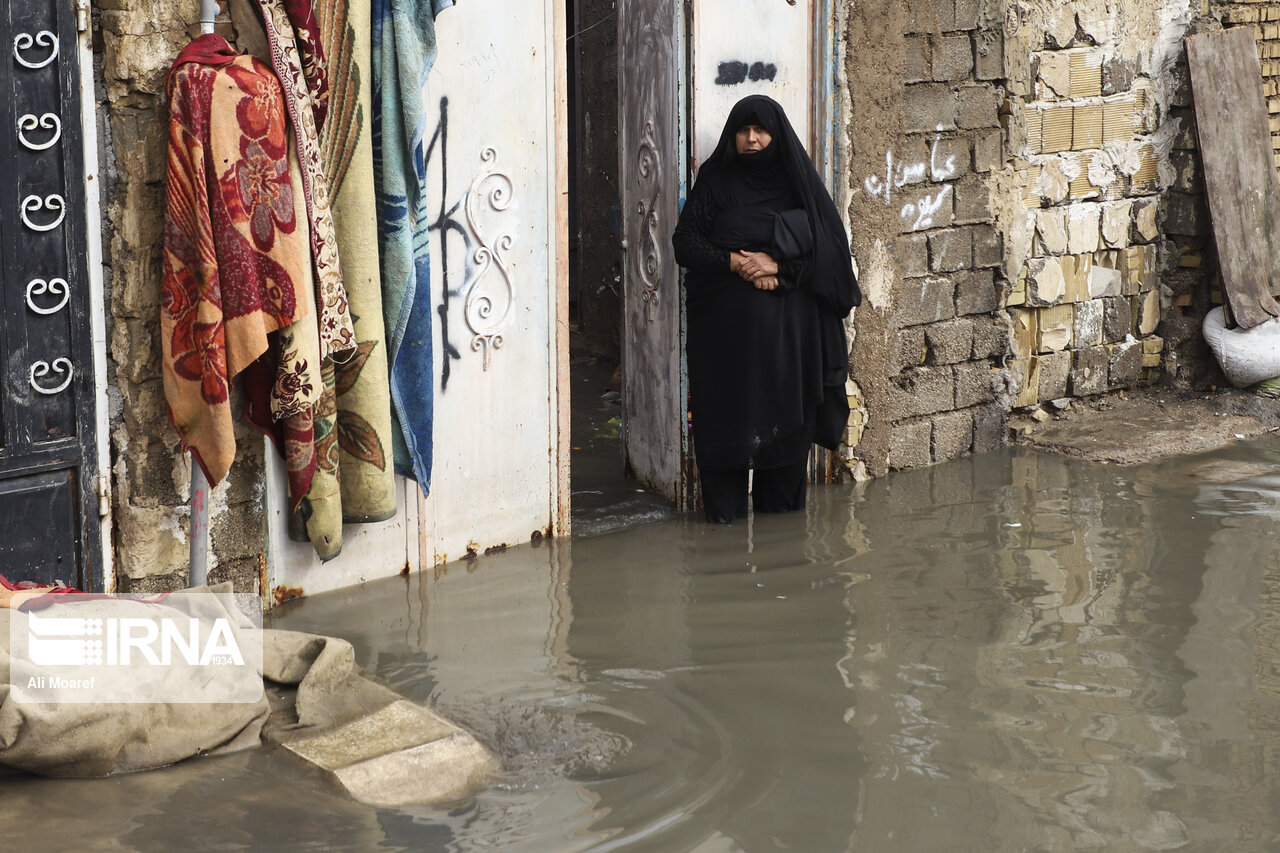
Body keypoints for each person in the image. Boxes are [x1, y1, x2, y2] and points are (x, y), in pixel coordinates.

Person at [672, 94, 860, 523]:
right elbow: (686, 244)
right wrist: (738, 263)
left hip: (787, 353)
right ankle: (722, 548)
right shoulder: (716, 181)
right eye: (743, 130)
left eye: (760, 131)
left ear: (776, 135)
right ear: (733, 136)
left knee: (784, 454)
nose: (752, 139)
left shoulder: (799, 186)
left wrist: (779, 266)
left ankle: (782, 560)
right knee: (725, 443)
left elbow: (830, 253)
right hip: (724, 349)